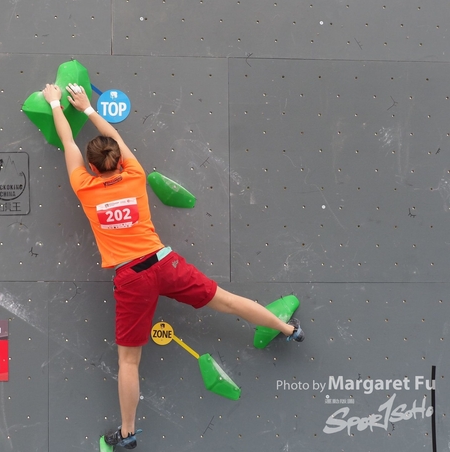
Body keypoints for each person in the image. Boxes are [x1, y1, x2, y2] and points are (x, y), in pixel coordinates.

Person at [42, 82, 304, 449]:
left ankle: (128, 434)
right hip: (165, 262)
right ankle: (288, 330)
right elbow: (113, 135)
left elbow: (68, 141)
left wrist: (55, 103)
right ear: (118, 159)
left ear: (92, 167)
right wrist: (87, 107)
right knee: (227, 301)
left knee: (129, 362)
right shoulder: (135, 173)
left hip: (132, 278)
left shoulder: (84, 186)